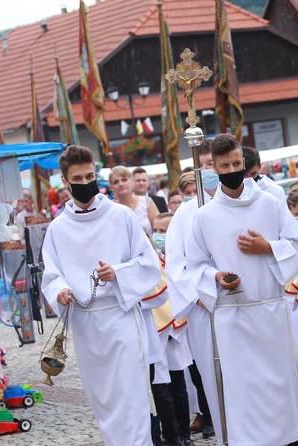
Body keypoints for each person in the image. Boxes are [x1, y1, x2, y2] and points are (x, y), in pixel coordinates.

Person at [186, 134, 298, 446]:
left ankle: (291, 440)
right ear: (215, 169)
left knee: (278, 387)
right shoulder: (204, 215)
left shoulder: (270, 204)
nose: (232, 169)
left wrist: (268, 248)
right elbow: (194, 265)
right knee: (243, 391)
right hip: (232, 318)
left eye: (237, 163)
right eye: (225, 165)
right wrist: (216, 276)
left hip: (270, 312)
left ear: (244, 163)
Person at [41, 145, 162, 446]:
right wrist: (61, 291)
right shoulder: (57, 228)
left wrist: (118, 272)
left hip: (122, 320)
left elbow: (148, 263)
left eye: (90, 176)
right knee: (104, 402)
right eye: (78, 178)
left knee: (131, 398)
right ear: (66, 184)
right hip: (87, 325)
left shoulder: (121, 216)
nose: (86, 183)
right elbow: (51, 274)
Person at [165, 140, 218, 440]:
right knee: (208, 375)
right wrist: (199, 295)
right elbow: (176, 263)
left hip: (242, 305)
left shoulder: (244, 201)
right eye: (204, 164)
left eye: (213, 164)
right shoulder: (184, 214)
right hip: (203, 307)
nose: (208, 170)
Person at [151, 212, 195, 446]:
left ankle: (184, 433)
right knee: (161, 386)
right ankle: (170, 434)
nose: (159, 236)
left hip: (176, 325)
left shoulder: (181, 258)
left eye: (164, 231)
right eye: (155, 231)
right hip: (158, 326)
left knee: (179, 383)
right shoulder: (152, 259)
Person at [110, 166, 160, 235]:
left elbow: (160, 229)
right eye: (116, 182)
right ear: (111, 187)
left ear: (131, 181)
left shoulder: (146, 202)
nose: (121, 184)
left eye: (124, 180)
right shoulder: (111, 208)